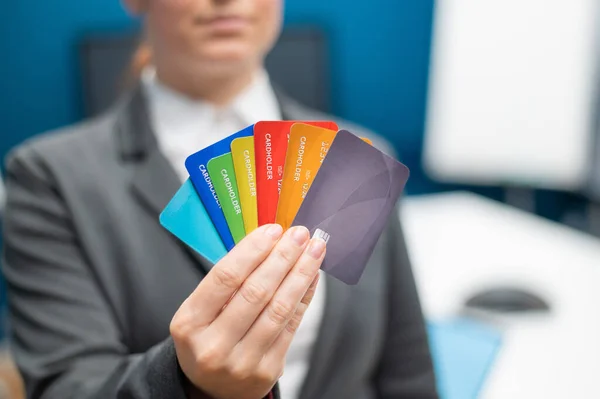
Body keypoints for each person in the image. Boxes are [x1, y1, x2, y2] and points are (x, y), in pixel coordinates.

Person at [1, 0, 438, 398]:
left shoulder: (361, 154)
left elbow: (407, 370)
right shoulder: (49, 177)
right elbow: (67, 387)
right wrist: (188, 381)